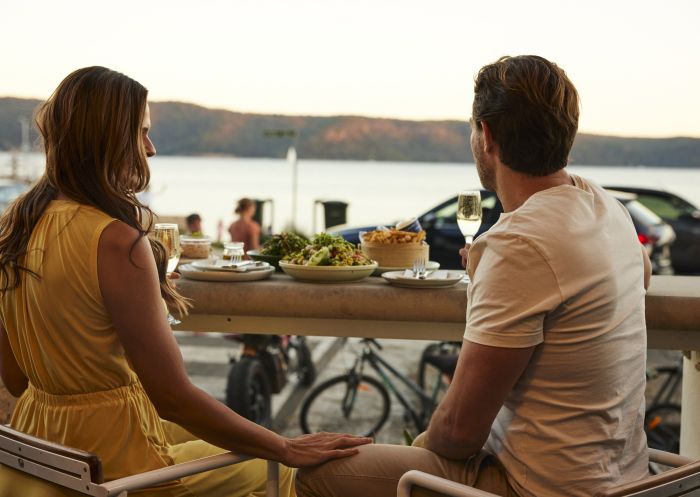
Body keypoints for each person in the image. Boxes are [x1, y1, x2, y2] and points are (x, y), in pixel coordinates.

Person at [0, 66, 370, 497]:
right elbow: (172, 397)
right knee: (284, 475)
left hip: (42, 454)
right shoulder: (116, 241)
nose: (151, 149)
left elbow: (16, 380)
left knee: (214, 436)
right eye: (141, 133)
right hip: (118, 469)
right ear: (107, 138)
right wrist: (284, 447)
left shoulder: (14, 230)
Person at [297, 55, 651, 497]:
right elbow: (642, 274)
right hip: (628, 478)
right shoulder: (604, 204)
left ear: (487, 136)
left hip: (539, 487)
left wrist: (423, 447)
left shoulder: (520, 243)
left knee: (315, 475)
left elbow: (459, 433)